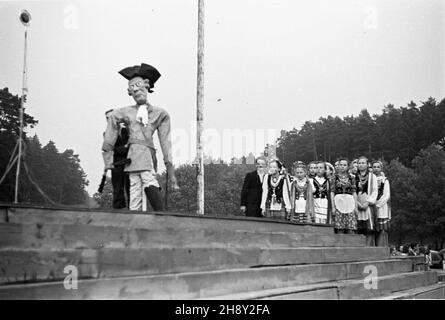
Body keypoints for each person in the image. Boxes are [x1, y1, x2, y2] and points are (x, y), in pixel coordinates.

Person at [102, 63, 179, 212]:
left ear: (146, 85)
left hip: (146, 155)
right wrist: (108, 157)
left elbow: (165, 143)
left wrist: (170, 169)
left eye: (138, 85)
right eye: (132, 87)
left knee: (147, 179)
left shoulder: (160, 113)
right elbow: (112, 121)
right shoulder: (125, 112)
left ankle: (161, 216)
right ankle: (135, 220)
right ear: (129, 92)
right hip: (132, 157)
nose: (135, 89)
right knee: (135, 189)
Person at [105, 110, 130, 209]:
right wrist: (125, 147)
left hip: (129, 163)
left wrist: (124, 147)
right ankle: (118, 208)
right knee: (117, 187)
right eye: (107, 118)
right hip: (116, 163)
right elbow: (110, 149)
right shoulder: (106, 134)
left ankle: (132, 208)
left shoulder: (127, 130)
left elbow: (132, 145)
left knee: (130, 186)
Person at [331, 158, 358, 234]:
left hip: (349, 202)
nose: (342, 167)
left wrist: (356, 207)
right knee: (340, 227)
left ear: (348, 166)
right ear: (338, 166)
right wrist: (333, 207)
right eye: (340, 165)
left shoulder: (352, 178)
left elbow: (354, 192)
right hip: (338, 201)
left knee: (351, 227)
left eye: (344, 165)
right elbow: (332, 192)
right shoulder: (334, 178)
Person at [356, 156, 378, 246]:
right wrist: (356, 203)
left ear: (367, 164)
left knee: (369, 228)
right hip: (357, 206)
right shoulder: (353, 176)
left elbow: (375, 191)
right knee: (358, 228)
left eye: (363, 163)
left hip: (368, 206)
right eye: (359, 163)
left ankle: (368, 247)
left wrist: (368, 202)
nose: (361, 165)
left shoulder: (373, 177)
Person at [372, 160, 391, 247]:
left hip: (381, 207)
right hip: (371, 205)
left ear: (381, 168)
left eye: (378, 167)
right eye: (374, 167)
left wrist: (377, 204)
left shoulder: (384, 180)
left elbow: (386, 195)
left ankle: (381, 247)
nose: (376, 169)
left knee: (381, 229)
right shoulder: (370, 180)